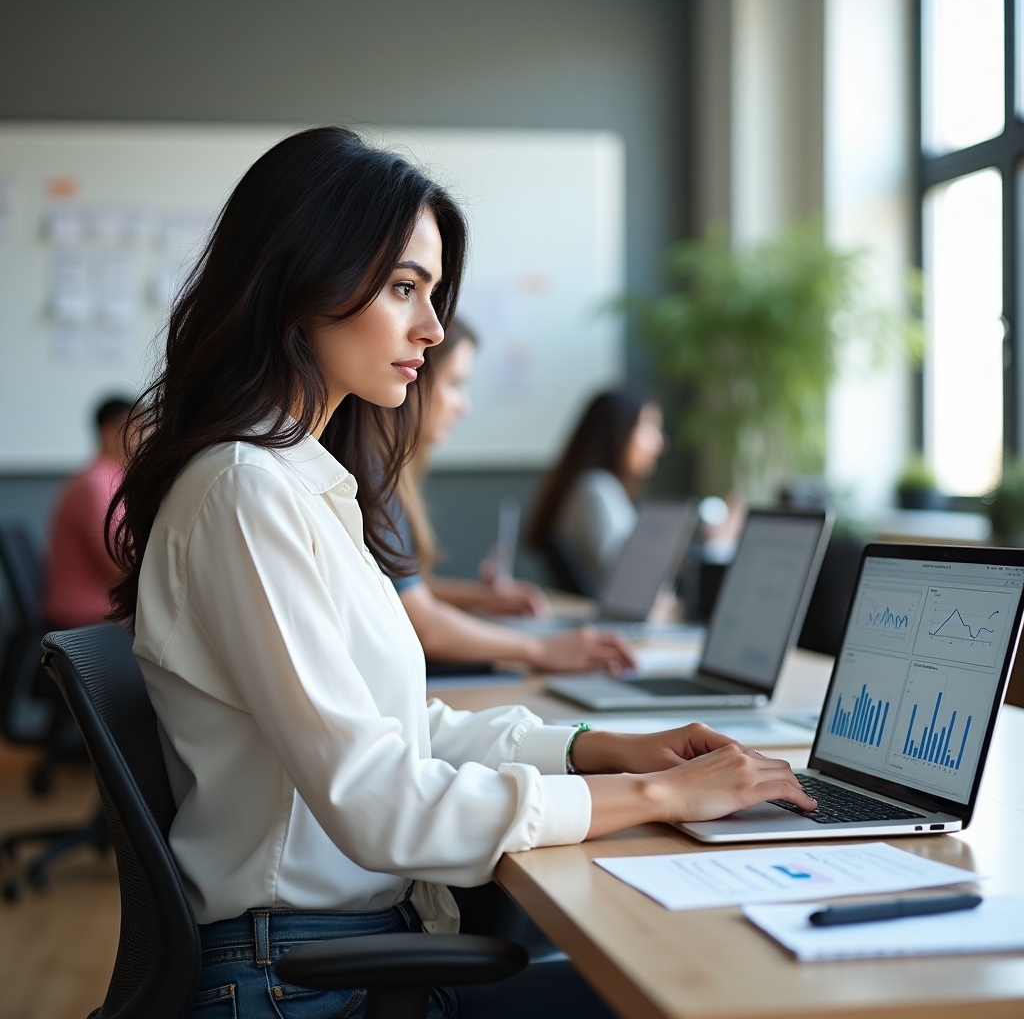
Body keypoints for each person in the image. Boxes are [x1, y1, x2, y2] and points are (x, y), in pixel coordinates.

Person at [108, 126, 815, 1019]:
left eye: (432, 293)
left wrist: (597, 749)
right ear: (302, 282)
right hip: (298, 980)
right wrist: (656, 794)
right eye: (405, 288)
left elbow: (397, 730)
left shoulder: (291, 483)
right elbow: (381, 801)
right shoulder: (247, 494)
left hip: (331, 951)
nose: (432, 329)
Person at [393, 319, 635, 673]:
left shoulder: (396, 474)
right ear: (414, 379)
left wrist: (485, 598)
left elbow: (407, 590)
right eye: (456, 384)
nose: (465, 406)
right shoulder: (371, 477)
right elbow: (423, 622)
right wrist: (539, 649)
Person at [526, 390, 665, 593]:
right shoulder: (596, 489)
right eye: (649, 429)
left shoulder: (601, 488)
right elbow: (624, 578)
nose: (659, 443)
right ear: (618, 430)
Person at [43, 396, 133, 628]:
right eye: (137, 428)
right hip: (87, 619)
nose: (145, 437)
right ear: (111, 432)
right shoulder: (96, 484)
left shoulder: (103, 478)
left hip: (100, 614)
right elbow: (120, 570)